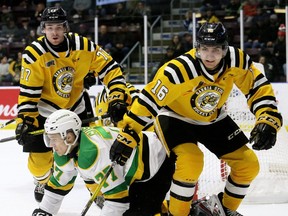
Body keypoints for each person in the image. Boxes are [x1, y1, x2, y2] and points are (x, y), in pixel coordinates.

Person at [109, 22, 283, 216]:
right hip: (174, 117)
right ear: (197, 48)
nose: (210, 55)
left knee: (248, 165)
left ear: (225, 49)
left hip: (212, 118)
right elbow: (148, 101)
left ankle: (222, 211)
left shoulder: (237, 61)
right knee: (191, 161)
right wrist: (128, 135)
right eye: (205, 49)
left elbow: (257, 87)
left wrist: (268, 118)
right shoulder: (178, 70)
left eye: (216, 49)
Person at [15, 6, 128, 204]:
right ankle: (42, 180)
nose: (54, 32)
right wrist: (25, 120)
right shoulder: (34, 54)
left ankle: (97, 190)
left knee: (91, 150)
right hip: (45, 110)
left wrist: (117, 97)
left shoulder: (83, 45)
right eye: (49, 27)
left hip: (76, 107)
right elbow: (28, 93)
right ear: (43, 29)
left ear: (66, 27)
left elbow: (111, 69)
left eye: (58, 27)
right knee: (39, 164)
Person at [32, 109, 174, 216]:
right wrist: (44, 211)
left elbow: (117, 200)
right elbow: (58, 186)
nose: (51, 145)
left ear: (68, 137)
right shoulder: (66, 149)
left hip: (157, 163)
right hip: (137, 170)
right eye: (48, 139)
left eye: (53, 139)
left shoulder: (93, 152)